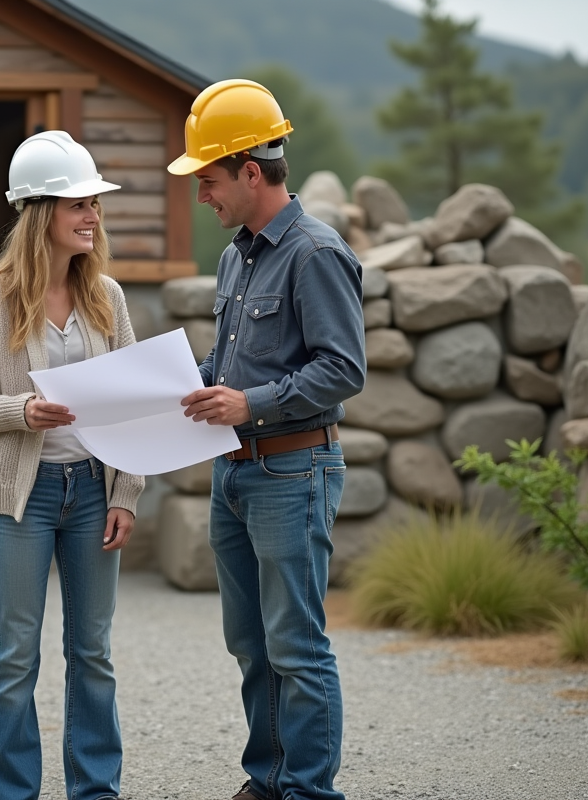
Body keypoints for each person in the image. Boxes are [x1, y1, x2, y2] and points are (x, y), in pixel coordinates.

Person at [169, 79, 367, 800]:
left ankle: (310, 791)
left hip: (292, 472)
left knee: (297, 647)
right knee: (251, 644)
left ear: (252, 171)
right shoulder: (236, 257)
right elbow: (227, 368)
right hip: (236, 477)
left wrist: (246, 403)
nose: (202, 196)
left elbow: (343, 371)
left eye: (210, 180)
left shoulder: (316, 254)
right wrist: (171, 383)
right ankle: (270, 778)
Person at [0, 130, 144, 800]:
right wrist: (21, 412)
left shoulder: (106, 298)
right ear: (38, 215)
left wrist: (126, 495)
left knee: (93, 656)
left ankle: (96, 791)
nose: (92, 216)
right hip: (21, 499)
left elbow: (136, 404)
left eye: (94, 204)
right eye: (76, 205)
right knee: (14, 659)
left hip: (93, 492)